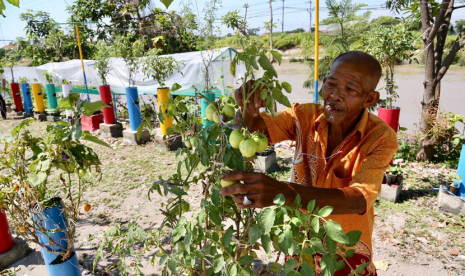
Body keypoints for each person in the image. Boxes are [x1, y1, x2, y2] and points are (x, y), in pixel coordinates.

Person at [219, 51, 398, 275]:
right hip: (300, 240)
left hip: (344, 251)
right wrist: (248, 106)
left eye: (350, 89)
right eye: (331, 84)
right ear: (324, 83)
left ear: (370, 99)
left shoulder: (380, 137)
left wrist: (285, 192)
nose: (335, 95)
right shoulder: (303, 116)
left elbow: (359, 199)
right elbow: (257, 130)